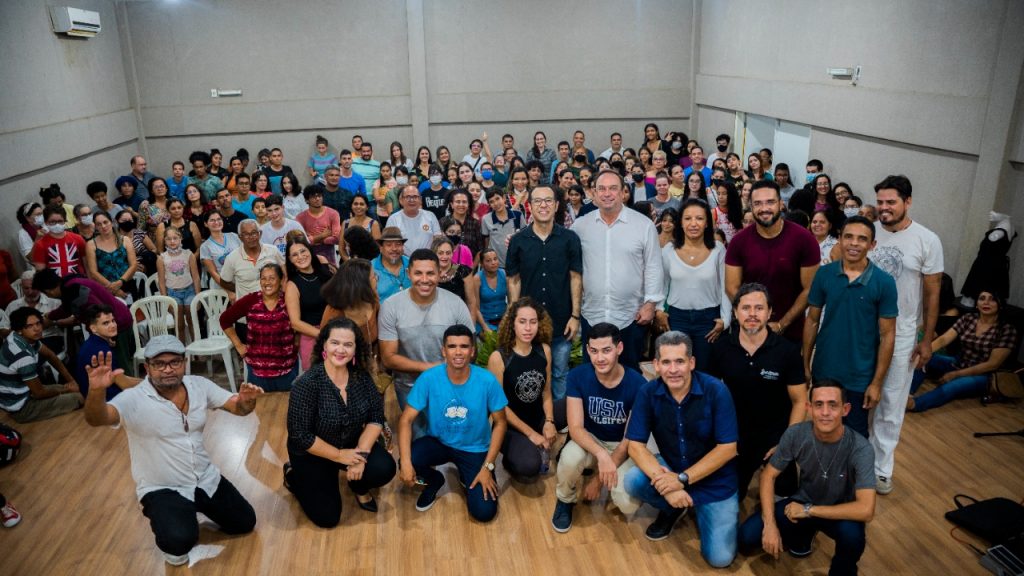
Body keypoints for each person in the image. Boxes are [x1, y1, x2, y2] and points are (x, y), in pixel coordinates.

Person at [82, 336, 261, 566]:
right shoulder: (133, 398)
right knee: (178, 544)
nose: (168, 369)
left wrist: (247, 401)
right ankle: (173, 514)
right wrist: (96, 391)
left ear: (184, 363)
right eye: (159, 364)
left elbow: (239, 408)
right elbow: (97, 418)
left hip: (204, 477)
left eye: (174, 362)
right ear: (147, 368)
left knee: (245, 522)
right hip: (163, 487)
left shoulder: (199, 385)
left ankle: (191, 509)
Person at [624, 331, 739, 568]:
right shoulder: (648, 392)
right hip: (672, 471)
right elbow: (635, 446)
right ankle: (672, 507)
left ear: (692, 362)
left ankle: (691, 504)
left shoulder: (716, 390)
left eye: (680, 361)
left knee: (720, 559)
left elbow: (728, 449)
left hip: (714, 482)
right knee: (633, 480)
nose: (673, 369)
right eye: (666, 362)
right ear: (656, 365)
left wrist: (682, 480)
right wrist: (667, 488)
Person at [738, 380, 876, 576]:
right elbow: (768, 475)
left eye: (833, 405)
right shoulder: (796, 434)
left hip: (838, 510)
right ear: (809, 408)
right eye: (819, 405)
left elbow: (866, 510)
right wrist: (769, 525)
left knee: (853, 537)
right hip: (802, 501)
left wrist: (808, 511)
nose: (825, 412)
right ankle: (803, 534)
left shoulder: (860, 448)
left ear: (845, 409)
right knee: (746, 538)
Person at [867, 175, 943, 494]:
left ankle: (881, 468)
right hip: (863, 330)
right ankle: (854, 460)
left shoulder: (927, 240)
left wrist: (927, 339)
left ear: (907, 202)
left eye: (891, 202)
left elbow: (933, 294)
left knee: (891, 401)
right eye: (880, 202)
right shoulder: (868, 233)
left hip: (902, 334)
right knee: (858, 397)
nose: (884, 208)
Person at [284, 318, 396, 527]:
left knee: (384, 468)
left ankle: (358, 486)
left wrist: (361, 456)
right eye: (335, 342)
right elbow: (300, 435)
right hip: (313, 452)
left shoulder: (362, 378)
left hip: (350, 443)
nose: (341, 350)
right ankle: (294, 476)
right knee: (327, 518)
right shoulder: (306, 383)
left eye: (348, 344)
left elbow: (375, 417)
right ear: (324, 345)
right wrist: (338, 455)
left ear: (355, 349)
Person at [397, 324, 508, 522]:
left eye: (464, 346)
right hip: (439, 442)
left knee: (484, 512)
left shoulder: (487, 381)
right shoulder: (429, 378)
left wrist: (488, 467)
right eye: (452, 346)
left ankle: (467, 475)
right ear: (443, 351)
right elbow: (406, 420)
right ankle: (435, 481)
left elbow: (500, 423)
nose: (458, 352)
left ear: (472, 351)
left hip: (474, 449)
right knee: (408, 459)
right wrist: (405, 462)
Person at [707, 283, 807, 499]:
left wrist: (787, 442)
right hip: (734, 438)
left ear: (770, 312)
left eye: (759, 308)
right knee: (728, 501)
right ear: (735, 312)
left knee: (786, 505)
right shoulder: (720, 348)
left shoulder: (788, 351)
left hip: (776, 439)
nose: (752, 314)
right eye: (746, 308)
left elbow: (800, 401)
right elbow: (709, 398)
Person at [804, 216, 898, 439]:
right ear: (839, 239)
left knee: (855, 437)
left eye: (862, 239)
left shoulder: (884, 282)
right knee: (821, 430)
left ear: (872, 245)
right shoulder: (824, 274)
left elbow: (887, 335)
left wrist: (876, 383)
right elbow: (812, 320)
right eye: (848, 237)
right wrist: (805, 364)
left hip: (859, 376)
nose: (854, 243)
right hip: (824, 370)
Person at [551, 322, 645, 533]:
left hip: (621, 446)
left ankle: (609, 481)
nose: (600, 358)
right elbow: (575, 428)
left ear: (619, 348)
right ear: (587, 350)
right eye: (594, 351)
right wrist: (602, 456)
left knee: (627, 504)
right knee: (569, 459)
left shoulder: (638, 384)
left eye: (606, 350)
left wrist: (598, 481)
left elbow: (629, 438)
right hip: (590, 439)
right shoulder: (577, 376)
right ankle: (565, 499)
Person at [572, 170, 664, 372]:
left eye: (613, 188)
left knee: (629, 374)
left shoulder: (643, 225)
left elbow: (654, 266)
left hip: (631, 317)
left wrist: (651, 303)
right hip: (592, 314)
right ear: (594, 194)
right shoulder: (580, 226)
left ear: (623, 192)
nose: (607, 194)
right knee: (592, 374)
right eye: (602, 189)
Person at [506, 186, 583, 400]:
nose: (543, 205)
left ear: (557, 206)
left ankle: (559, 416)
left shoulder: (570, 239)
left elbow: (576, 277)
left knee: (559, 373)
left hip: (561, 321)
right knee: (528, 375)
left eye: (548, 200)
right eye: (538, 201)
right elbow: (513, 280)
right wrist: (514, 316)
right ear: (530, 206)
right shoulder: (518, 241)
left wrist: (575, 316)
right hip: (528, 325)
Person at [379, 249, 474, 415]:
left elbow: (470, 349)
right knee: (415, 430)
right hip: (409, 388)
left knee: (450, 428)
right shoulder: (391, 306)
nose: (424, 280)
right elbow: (388, 358)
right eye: (418, 273)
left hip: (449, 385)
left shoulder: (456, 303)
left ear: (439, 274)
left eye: (430, 273)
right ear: (408, 273)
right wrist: (433, 369)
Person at [725, 180, 819, 343]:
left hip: (791, 333)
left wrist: (782, 324)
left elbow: (810, 288)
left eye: (770, 202)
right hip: (749, 332)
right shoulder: (738, 242)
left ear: (781, 204)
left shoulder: (804, 239)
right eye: (758, 203)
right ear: (751, 206)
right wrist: (755, 319)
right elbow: (731, 287)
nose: (764, 208)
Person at [908, 290, 1017, 412]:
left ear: (1000, 305)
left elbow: (992, 364)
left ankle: (914, 404)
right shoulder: (968, 318)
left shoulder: (1007, 330)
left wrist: (956, 374)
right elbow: (944, 339)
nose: (986, 302)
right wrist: (924, 351)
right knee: (925, 358)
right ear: (977, 304)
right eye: (982, 298)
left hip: (985, 376)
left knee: (953, 386)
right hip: (959, 363)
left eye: (992, 299)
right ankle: (907, 394)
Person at [486, 298, 557, 481]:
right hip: (510, 425)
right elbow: (498, 408)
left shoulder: (544, 350)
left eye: (533, 322)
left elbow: (546, 392)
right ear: (512, 324)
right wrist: (531, 434)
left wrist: (549, 421)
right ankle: (511, 458)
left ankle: (563, 451)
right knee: (530, 466)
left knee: (574, 406)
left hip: (537, 417)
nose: (528, 328)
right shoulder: (498, 358)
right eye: (522, 321)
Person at [656, 199, 729, 370]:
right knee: (677, 369)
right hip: (676, 318)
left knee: (705, 370)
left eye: (699, 218)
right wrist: (659, 309)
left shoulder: (718, 249)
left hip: (709, 320)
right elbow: (662, 283)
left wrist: (725, 320)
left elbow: (724, 287)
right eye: (688, 218)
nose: (693, 224)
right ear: (680, 222)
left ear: (707, 223)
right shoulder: (669, 250)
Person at [221, 263, 297, 392]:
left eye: (272, 278)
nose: (267, 282)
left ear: (281, 280)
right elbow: (225, 319)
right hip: (257, 372)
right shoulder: (250, 300)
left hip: (286, 370)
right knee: (260, 404)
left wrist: (297, 341)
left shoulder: (288, 300)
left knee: (286, 404)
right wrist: (238, 345)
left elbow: (300, 322)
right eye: (263, 278)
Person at [0, 307, 84, 423]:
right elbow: (39, 393)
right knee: (79, 397)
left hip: (26, 393)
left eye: (38, 323)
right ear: (19, 330)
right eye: (29, 326)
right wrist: (66, 390)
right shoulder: (22, 356)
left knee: (72, 388)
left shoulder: (20, 338)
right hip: (22, 408)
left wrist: (72, 381)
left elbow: (51, 355)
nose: (37, 329)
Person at [285, 238, 333, 371]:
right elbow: (295, 323)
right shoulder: (292, 285)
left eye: (303, 251)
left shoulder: (326, 272)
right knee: (318, 379)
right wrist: (324, 335)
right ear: (290, 259)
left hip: (334, 331)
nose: (300, 256)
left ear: (310, 251)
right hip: (312, 337)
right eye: (295, 255)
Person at [74, 304, 141, 399]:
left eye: (113, 321)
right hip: (108, 400)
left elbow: (121, 378)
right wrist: (150, 383)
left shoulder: (93, 342)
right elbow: (125, 385)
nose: (113, 325)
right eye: (106, 323)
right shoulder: (102, 351)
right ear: (93, 328)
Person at [218, 220, 286, 299]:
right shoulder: (232, 258)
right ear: (240, 237)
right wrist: (241, 292)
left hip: (273, 301)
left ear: (260, 234)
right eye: (246, 234)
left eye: (254, 233)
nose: (250, 237)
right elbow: (224, 282)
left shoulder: (273, 251)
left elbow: (285, 273)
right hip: (247, 304)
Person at [157, 227, 201, 339]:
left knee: (192, 322)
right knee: (179, 325)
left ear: (180, 238)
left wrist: (198, 297)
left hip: (189, 291)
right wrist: (166, 301)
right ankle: (181, 349)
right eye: (168, 239)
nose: (172, 241)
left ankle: (197, 348)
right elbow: (161, 282)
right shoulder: (162, 258)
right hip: (173, 294)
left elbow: (196, 277)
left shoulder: (189, 254)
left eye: (175, 238)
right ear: (164, 240)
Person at [6, 271, 65, 354]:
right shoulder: (13, 306)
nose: (30, 292)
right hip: (22, 343)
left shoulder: (54, 302)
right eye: (26, 288)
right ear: (21, 287)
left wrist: (53, 322)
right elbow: (5, 329)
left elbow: (73, 319)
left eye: (33, 288)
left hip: (49, 338)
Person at [32, 206, 87, 277]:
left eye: (60, 221)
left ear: (65, 220)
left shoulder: (78, 239)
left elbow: (87, 265)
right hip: (54, 283)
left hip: (79, 281)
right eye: (52, 222)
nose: (57, 224)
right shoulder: (40, 244)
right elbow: (41, 273)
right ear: (45, 222)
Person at [385, 184, 441, 255]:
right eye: (408, 197)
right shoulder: (393, 219)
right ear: (401, 200)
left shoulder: (430, 216)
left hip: (428, 258)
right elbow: (389, 243)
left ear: (420, 199)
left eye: (415, 197)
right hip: (402, 259)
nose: (411, 200)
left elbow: (437, 239)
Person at [295, 185, 342, 267]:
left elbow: (336, 238)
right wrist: (323, 235)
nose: (317, 199)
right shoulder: (300, 217)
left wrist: (313, 239)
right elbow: (301, 241)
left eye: (319, 196)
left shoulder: (333, 213)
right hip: (309, 256)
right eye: (313, 197)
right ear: (307, 200)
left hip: (329, 255)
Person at [198, 211, 241, 299]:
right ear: (206, 224)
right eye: (212, 220)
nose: (216, 222)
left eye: (219, 219)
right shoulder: (205, 246)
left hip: (240, 282)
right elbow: (213, 273)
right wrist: (229, 291)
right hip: (221, 288)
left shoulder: (234, 236)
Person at [467, 248, 508, 334]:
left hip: (504, 320)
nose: (493, 263)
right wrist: (485, 327)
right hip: (484, 321)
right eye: (488, 261)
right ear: (482, 264)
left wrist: (505, 322)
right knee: (491, 340)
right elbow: (476, 308)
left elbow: (511, 302)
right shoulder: (477, 279)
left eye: (495, 259)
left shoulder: (504, 274)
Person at [370, 227, 411, 302]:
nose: (394, 248)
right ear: (381, 248)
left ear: (403, 247)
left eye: (398, 244)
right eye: (389, 245)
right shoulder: (370, 268)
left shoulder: (412, 264)